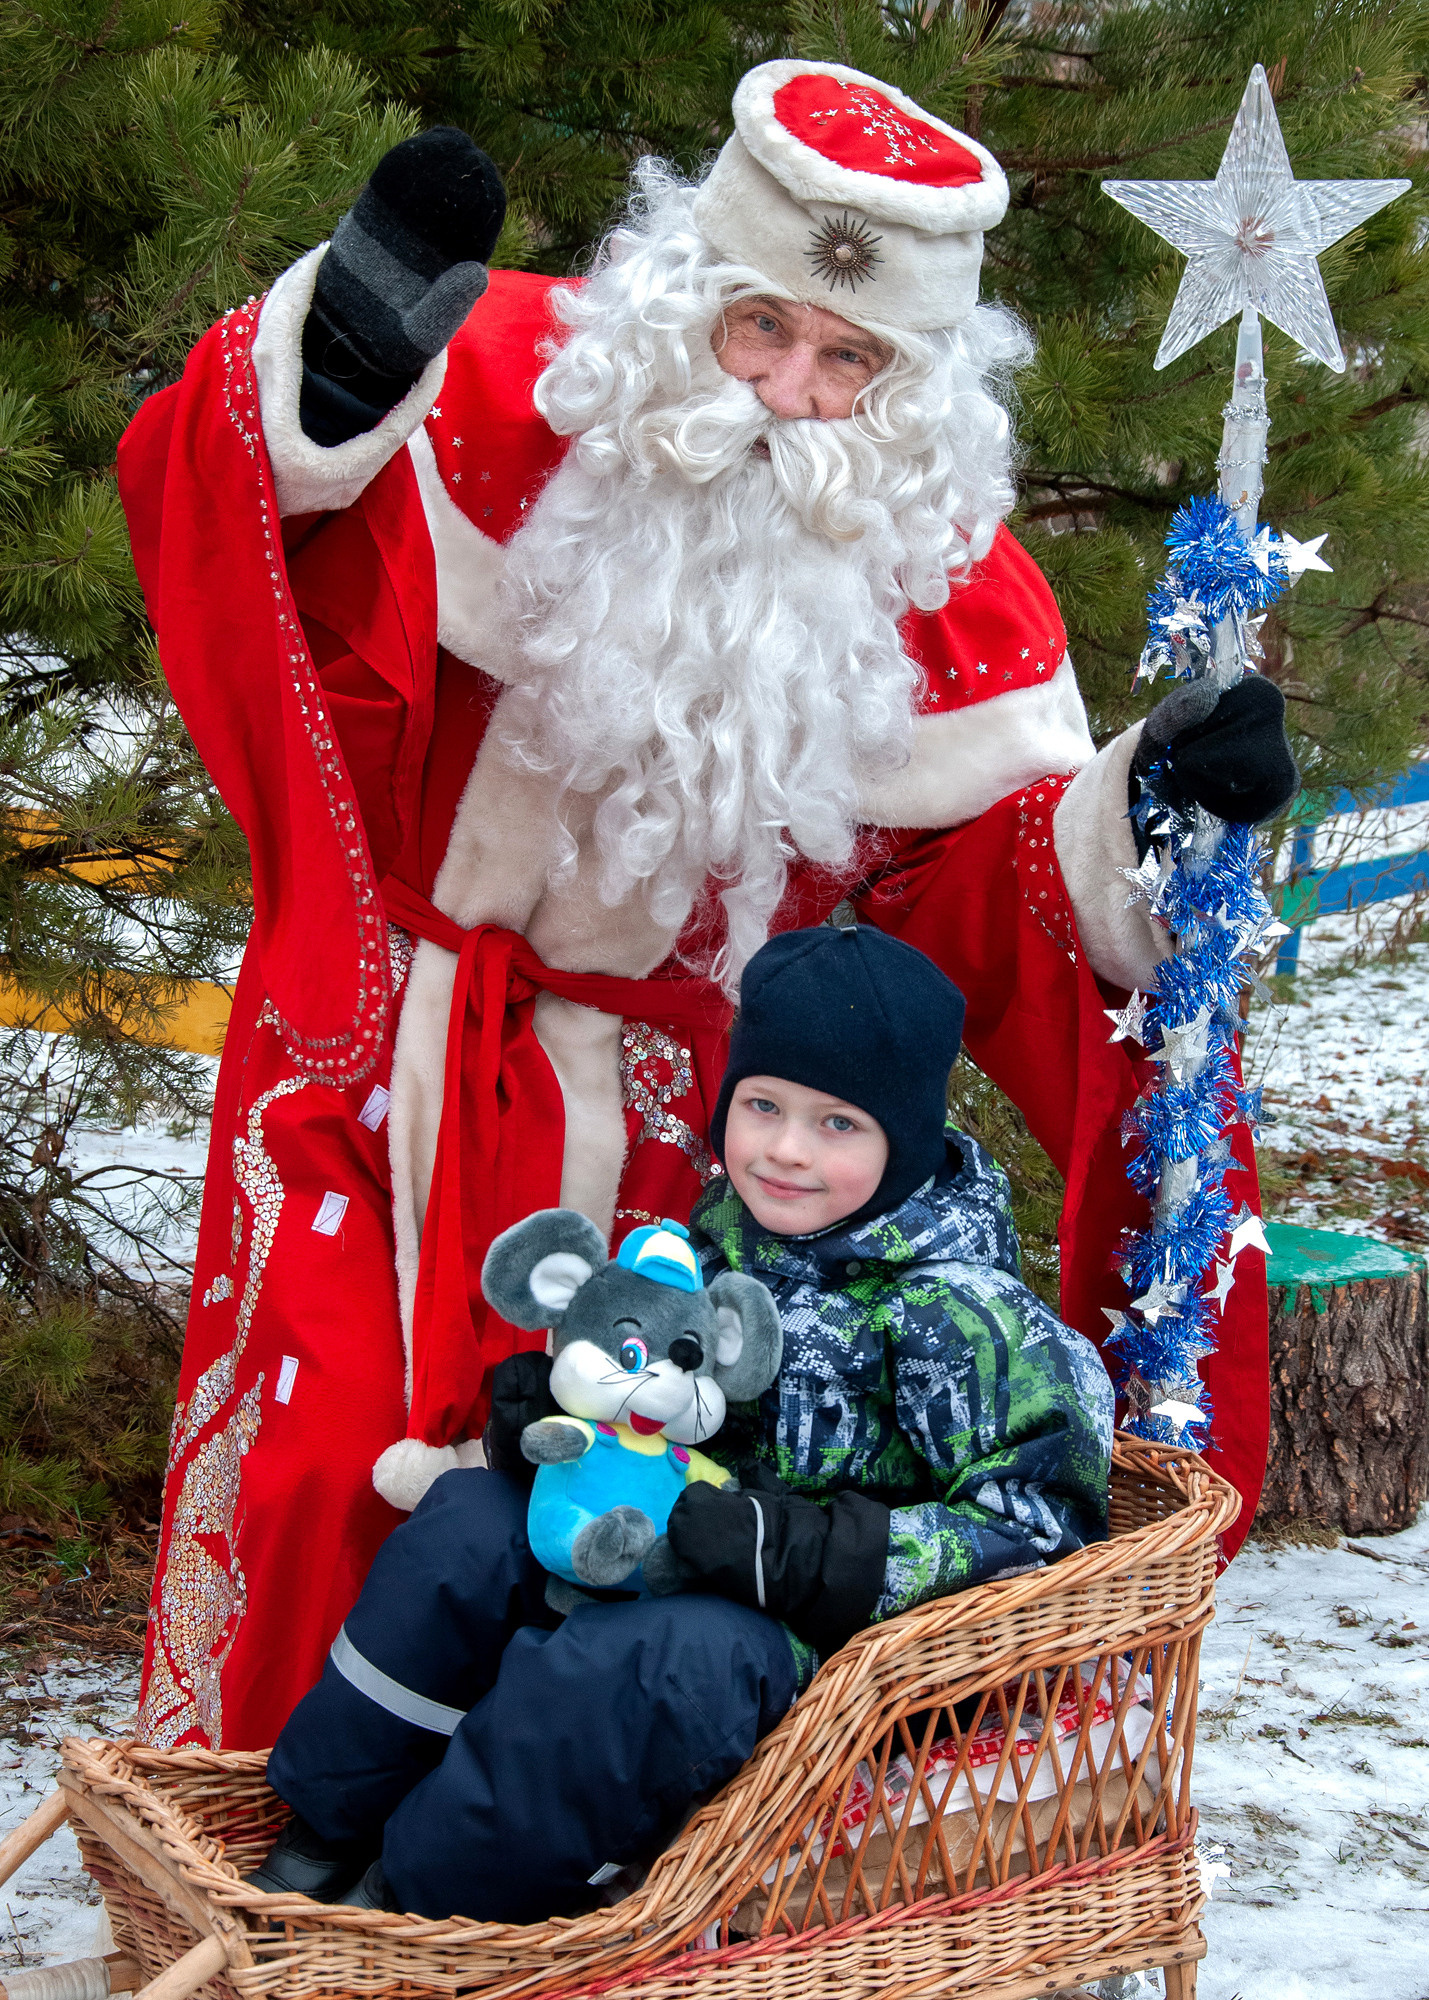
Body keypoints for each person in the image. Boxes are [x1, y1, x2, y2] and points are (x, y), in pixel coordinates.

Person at [117, 57, 1293, 1750]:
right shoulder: (494, 398)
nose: (788, 394)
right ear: (688, 303)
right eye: (758, 329)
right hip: (385, 1058)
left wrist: (1146, 811)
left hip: (689, 1150)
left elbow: (979, 891)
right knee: (314, 1472)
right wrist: (345, 367)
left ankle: (521, 1873)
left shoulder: (949, 593)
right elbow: (247, 543)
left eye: (846, 359)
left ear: (910, 389)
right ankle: (253, 1835)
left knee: (617, 1542)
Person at [249, 925, 1114, 1923]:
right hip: (663, 1545)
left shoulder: (965, 1315)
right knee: (467, 1526)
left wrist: (805, 1552)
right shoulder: (704, 1246)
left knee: (649, 1660)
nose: (785, 1149)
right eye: (763, 1105)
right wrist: (555, 1421)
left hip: (822, 1645)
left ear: (906, 1137)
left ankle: (420, 1899)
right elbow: (647, 1397)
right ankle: (328, 1827)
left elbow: (1046, 1533)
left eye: (838, 1123)